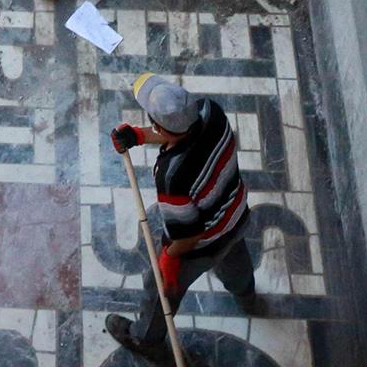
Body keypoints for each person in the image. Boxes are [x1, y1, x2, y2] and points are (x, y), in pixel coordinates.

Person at [106, 75, 258, 358]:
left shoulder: (172, 176)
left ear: (159, 125)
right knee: (235, 259)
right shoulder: (211, 111)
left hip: (203, 244)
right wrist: (138, 136)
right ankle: (247, 295)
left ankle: (146, 338)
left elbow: (189, 237)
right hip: (235, 215)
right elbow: (180, 135)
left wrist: (168, 261)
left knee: (158, 288)